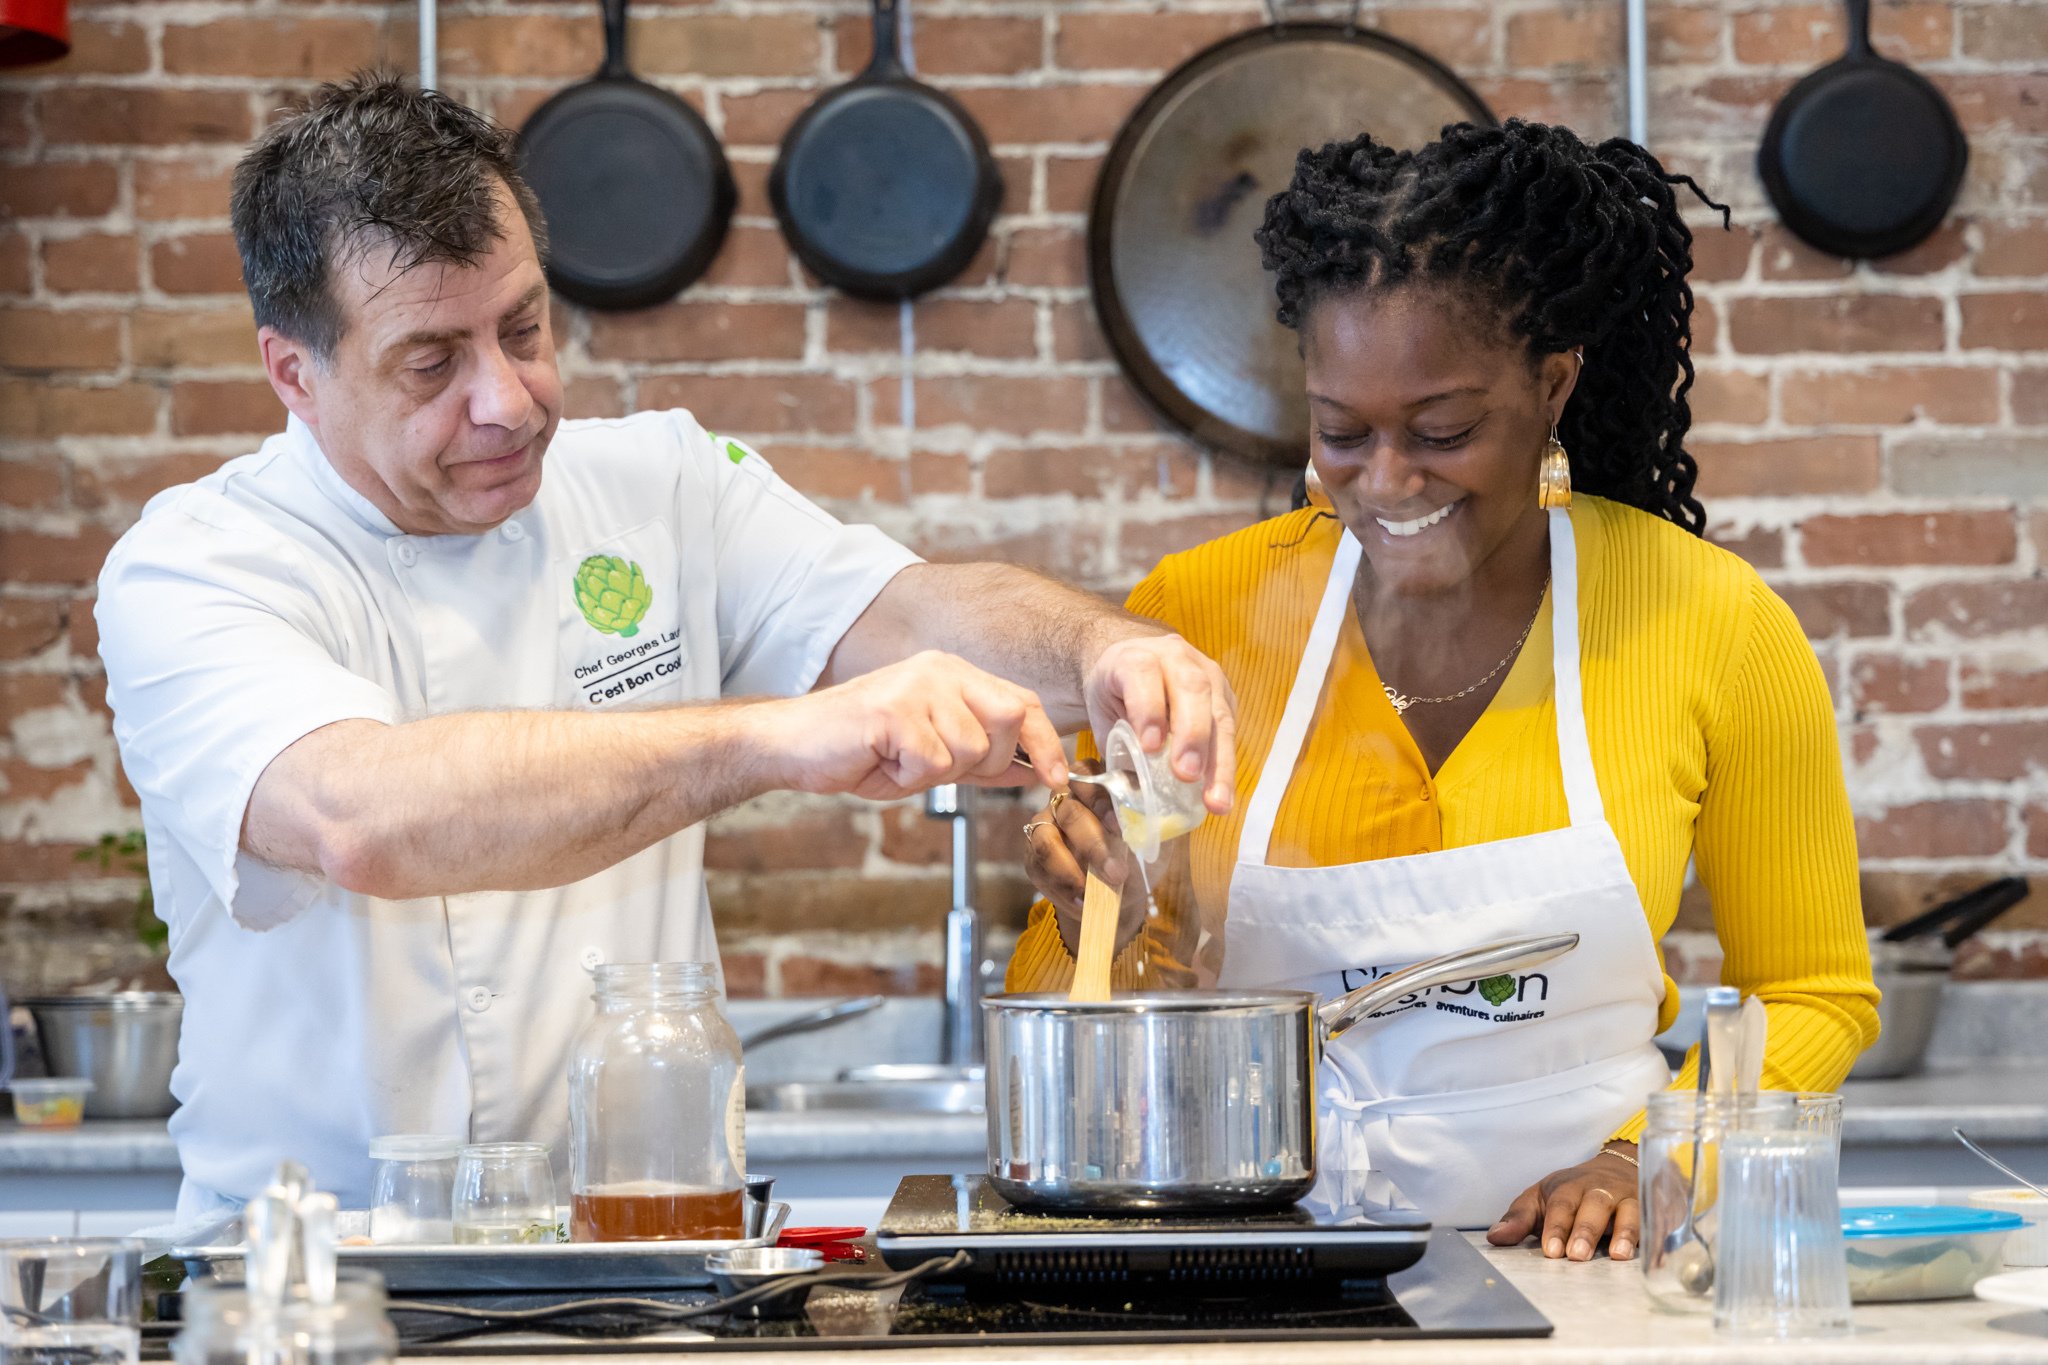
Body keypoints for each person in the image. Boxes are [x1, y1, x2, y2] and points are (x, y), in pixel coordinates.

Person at [96, 73, 1235, 1220]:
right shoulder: (197, 564)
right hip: (312, 1276)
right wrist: (775, 738)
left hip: (630, 1259)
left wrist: (1097, 649)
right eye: (431, 364)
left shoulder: (661, 485)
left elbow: (905, 605)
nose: (508, 399)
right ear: (294, 373)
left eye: (525, 328)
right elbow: (362, 817)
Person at [1009, 121, 1877, 1258]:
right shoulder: (1198, 618)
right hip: (1265, 1275)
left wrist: (1648, 1155)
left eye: (1443, 430)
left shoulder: (1708, 621)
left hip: (1590, 1284)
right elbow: (1095, 1003)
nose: (1386, 482)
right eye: (1340, 434)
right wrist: (1091, 916)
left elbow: (1812, 993)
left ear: (1552, 384)